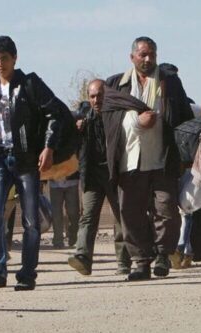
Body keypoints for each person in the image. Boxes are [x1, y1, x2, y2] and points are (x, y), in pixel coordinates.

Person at [0, 36, 66, 291]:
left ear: (15, 58)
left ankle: (27, 273)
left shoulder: (30, 84)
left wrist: (48, 147)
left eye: (4, 59)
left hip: (27, 160)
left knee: (31, 220)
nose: (0, 64)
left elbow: (55, 113)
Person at [105, 36, 193, 281]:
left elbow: (184, 116)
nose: (147, 59)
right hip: (129, 161)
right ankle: (140, 261)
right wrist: (137, 120)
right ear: (132, 57)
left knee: (166, 210)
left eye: (152, 54)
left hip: (162, 159)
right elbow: (109, 120)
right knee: (130, 213)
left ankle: (163, 255)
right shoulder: (116, 85)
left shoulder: (169, 83)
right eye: (142, 54)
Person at [67, 79, 132, 276]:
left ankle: (124, 261)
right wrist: (77, 129)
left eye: (100, 95)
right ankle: (83, 257)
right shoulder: (83, 117)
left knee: (121, 217)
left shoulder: (118, 115)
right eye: (93, 96)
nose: (97, 100)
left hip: (115, 174)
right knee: (87, 217)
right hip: (92, 175)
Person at [48, 173, 80, 248]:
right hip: (54, 182)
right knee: (56, 214)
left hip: (72, 181)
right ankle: (58, 240)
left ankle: (73, 238)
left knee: (73, 212)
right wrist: (42, 181)